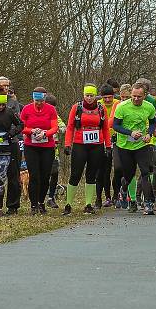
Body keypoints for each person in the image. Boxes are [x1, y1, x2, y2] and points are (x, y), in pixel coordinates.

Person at [63, 84, 111, 215]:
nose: (89, 98)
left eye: (92, 95)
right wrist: (67, 144)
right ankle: (68, 205)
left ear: (96, 96)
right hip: (80, 144)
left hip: (96, 145)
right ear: (83, 95)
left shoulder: (101, 108)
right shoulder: (77, 107)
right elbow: (70, 127)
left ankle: (88, 204)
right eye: (87, 95)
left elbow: (105, 128)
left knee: (91, 175)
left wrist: (108, 146)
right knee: (75, 174)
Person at [112, 82, 156, 214]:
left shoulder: (149, 107)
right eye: (134, 96)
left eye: (139, 96)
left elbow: (153, 123)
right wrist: (130, 133)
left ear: (144, 96)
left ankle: (148, 203)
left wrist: (149, 133)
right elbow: (116, 126)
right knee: (129, 174)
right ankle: (127, 193)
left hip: (141, 144)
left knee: (145, 172)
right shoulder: (122, 107)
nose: (136, 99)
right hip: (124, 145)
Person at [20, 87, 59, 215]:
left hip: (47, 147)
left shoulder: (51, 109)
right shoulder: (26, 109)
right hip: (31, 146)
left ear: (45, 99)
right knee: (34, 176)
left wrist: (45, 134)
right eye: (36, 100)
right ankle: (33, 205)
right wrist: (31, 131)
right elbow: (21, 126)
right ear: (33, 99)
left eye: (41, 100)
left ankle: (41, 202)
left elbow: (55, 127)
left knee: (45, 176)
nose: (38, 103)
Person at [0, 77, 25, 215]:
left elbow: (18, 123)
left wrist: (10, 134)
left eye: (7, 86)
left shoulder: (13, 102)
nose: (6, 88)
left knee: (13, 174)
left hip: (11, 142)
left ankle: (13, 205)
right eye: (2, 86)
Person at [95, 84, 119, 208]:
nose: (108, 100)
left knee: (117, 170)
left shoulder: (118, 103)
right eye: (105, 98)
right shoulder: (97, 104)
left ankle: (116, 195)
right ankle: (101, 198)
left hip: (116, 141)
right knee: (101, 171)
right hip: (100, 141)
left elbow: (113, 121)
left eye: (110, 97)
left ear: (113, 96)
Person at [45, 94, 65, 209]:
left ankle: (51, 197)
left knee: (54, 173)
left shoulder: (55, 116)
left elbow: (63, 128)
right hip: (40, 149)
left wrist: (54, 129)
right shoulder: (38, 115)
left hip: (53, 150)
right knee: (42, 174)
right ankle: (40, 197)